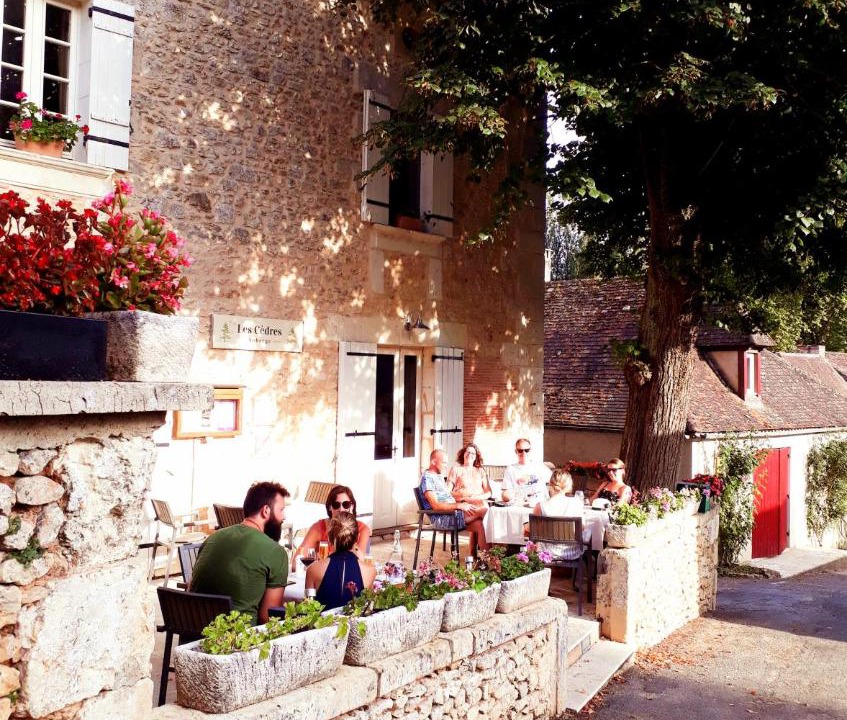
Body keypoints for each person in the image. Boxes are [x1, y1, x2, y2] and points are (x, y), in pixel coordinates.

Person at [190, 481, 289, 625]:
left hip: (194, 635)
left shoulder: (212, 539)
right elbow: (268, 618)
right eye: (281, 510)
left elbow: (191, 590)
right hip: (238, 641)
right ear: (266, 510)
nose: (284, 517)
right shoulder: (276, 552)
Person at [420, 448, 489, 553]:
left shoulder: (437, 476)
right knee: (485, 511)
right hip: (443, 518)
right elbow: (436, 505)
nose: (446, 466)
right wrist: (459, 506)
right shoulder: (427, 478)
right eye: (444, 462)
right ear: (433, 461)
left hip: (452, 514)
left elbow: (446, 496)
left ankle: (484, 561)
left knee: (480, 525)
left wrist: (460, 495)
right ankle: (495, 557)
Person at [291, 485, 371, 571]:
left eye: (346, 504)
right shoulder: (318, 528)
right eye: (336, 505)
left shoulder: (362, 529)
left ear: (352, 507)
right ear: (330, 507)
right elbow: (295, 564)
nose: (341, 509)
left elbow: (362, 564)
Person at [305, 511, 376, 610]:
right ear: (357, 537)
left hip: (325, 625)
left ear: (330, 537)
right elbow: (368, 609)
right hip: (355, 625)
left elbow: (308, 609)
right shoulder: (370, 571)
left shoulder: (313, 569)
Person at [501, 438, 552, 505]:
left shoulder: (539, 466)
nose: (523, 453)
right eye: (520, 450)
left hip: (539, 505)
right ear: (516, 451)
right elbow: (505, 493)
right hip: (519, 505)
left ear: (530, 451)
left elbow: (555, 481)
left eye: (527, 450)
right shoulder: (510, 469)